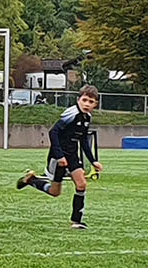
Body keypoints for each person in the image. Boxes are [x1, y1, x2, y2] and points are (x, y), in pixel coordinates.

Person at [16, 84, 103, 229]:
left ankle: (76, 221)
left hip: (73, 155)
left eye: (91, 102)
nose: (87, 104)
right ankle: (31, 180)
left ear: (96, 104)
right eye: (85, 100)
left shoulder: (87, 117)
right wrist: (59, 155)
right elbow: (53, 132)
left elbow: (83, 141)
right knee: (54, 192)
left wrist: (93, 161)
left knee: (81, 184)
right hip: (59, 156)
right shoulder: (71, 113)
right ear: (78, 99)